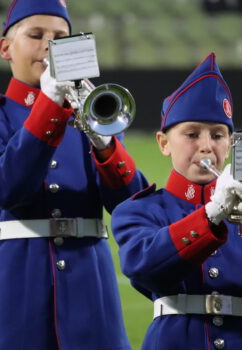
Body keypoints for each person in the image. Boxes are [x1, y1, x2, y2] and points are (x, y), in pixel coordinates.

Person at [0, 0, 148, 349]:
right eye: (35, 35)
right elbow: (8, 189)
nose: (49, 47)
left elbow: (131, 208)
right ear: (5, 47)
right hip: (18, 290)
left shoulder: (89, 115)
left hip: (91, 292)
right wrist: (49, 103)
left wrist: (106, 144)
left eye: (60, 37)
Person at [111, 53, 242, 350]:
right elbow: (145, 269)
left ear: (230, 144)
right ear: (164, 143)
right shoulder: (138, 210)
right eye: (192, 134)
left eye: (218, 135)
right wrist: (211, 214)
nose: (207, 146)